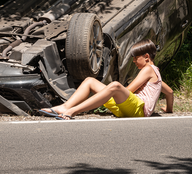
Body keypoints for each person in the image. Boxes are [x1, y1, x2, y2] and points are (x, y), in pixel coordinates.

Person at [40, 39, 174, 119]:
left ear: (146, 57)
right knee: (90, 81)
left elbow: (129, 90)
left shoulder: (148, 69)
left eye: (135, 58)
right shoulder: (156, 76)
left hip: (139, 111)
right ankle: (65, 107)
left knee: (115, 86)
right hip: (127, 109)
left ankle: (72, 111)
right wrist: (168, 109)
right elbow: (170, 92)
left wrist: (111, 92)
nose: (133, 61)